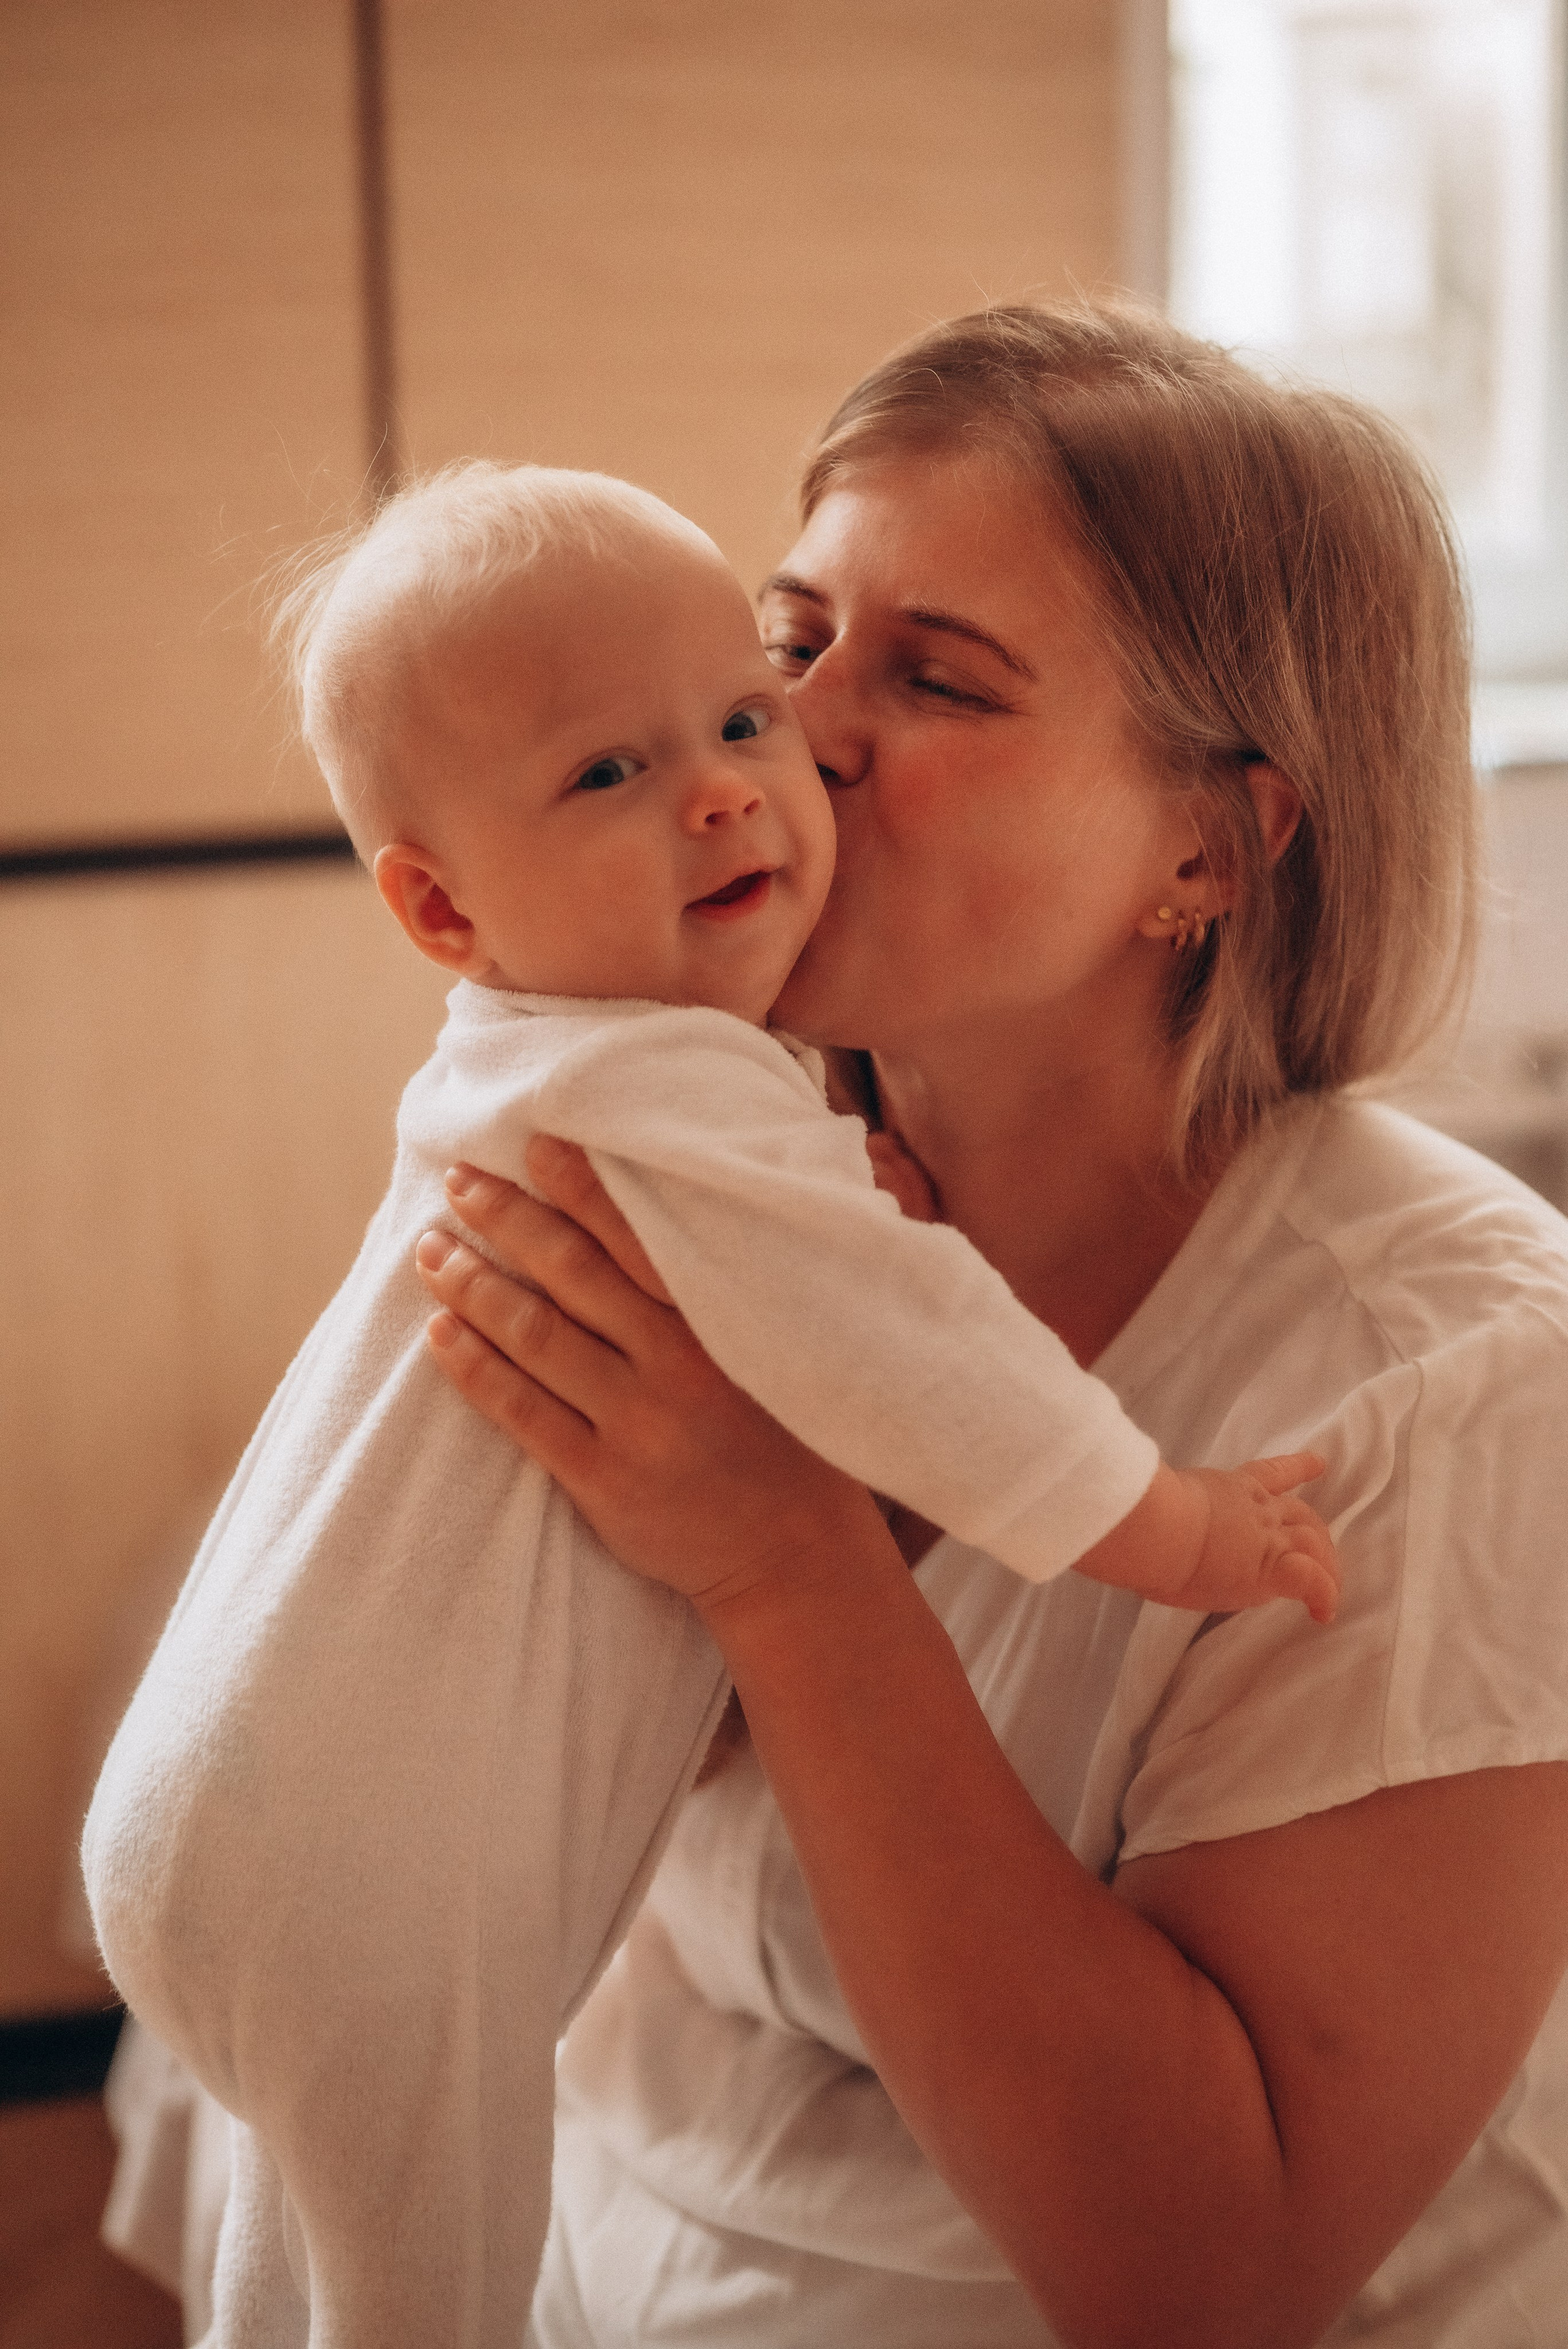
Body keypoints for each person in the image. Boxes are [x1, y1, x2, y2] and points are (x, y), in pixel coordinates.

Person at [81, 459, 1334, 2349]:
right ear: (438, 906)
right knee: (426, 2292)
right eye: (610, 770)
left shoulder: (519, 1066)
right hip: (362, 1878)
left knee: (317, 2277)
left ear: (1217, 849)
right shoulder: (682, 1092)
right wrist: (1184, 1526)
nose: (751, 779)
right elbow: (941, 1362)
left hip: (216, 1795)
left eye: (742, 714)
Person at [411, 305, 1568, 2348]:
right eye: (790, 637)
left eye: (938, 678)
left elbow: (1199, 2274)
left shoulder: (1454, 1379)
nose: (795, 730)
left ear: (1209, 847)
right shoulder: (704, 1187)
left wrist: (789, 1559)